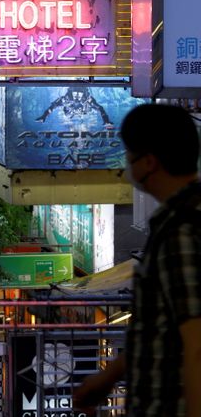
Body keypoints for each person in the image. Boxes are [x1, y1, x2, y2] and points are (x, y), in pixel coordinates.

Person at [74, 104, 201, 416]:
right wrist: (108, 376)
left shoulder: (181, 231)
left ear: (149, 162)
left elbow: (197, 346)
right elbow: (158, 328)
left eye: (128, 153)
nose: (125, 164)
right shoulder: (176, 221)